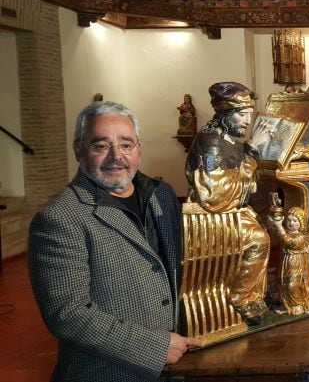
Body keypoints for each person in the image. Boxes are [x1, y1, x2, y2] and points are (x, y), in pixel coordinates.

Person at [28, 101, 202, 381]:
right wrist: (156, 347)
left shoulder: (162, 195)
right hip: (108, 372)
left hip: (175, 366)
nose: (115, 156)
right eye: (100, 145)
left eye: (126, 144)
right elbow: (67, 314)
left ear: (139, 149)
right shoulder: (59, 218)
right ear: (78, 150)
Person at [185, 81, 274, 323]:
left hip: (231, 211)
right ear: (225, 114)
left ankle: (255, 293)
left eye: (249, 114)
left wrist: (250, 154)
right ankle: (241, 297)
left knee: (269, 222)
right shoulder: (210, 142)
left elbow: (240, 171)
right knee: (259, 238)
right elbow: (215, 193)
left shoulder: (229, 139)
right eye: (241, 115)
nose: (247, 121)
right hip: (211, 218)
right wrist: (253, 150)